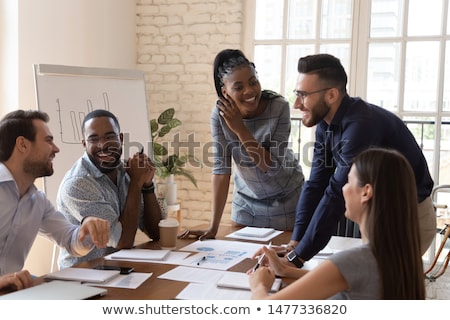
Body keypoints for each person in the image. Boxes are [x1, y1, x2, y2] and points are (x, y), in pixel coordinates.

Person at [282, 53, 436, 268]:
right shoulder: (325, 125)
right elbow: (317, 184)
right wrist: (295, 243)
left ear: (332, 95)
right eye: (296, 93)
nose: (297, 103)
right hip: (378, 215)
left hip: (407, 217)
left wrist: (298, 258)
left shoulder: (360, 126)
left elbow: (336, 193)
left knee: (385, 292)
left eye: (303, 94)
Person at [250, 148, 425, 299]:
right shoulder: (399, 255)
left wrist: (259, 286)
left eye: (348, 181)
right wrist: (285, 270)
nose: (343, 188)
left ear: (366, 192)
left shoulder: (354, 260)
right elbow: (346, 278)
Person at [180, 49, 305, 240]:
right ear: (225, 91)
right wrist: (213, 228)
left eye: (253, 82)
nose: (249, 91)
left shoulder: (279, 107)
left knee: (280, 264)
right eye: (238, 87)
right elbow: (222, 170)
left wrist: (240, 128)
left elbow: (270, 167)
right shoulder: (219, 115)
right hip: (246, 202)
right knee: (239, 264)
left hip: (286, 198)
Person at [0, 110, 110, 286]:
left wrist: (87, 228)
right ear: (22, 144)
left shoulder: (38, 201)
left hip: (12, 296)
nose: (56, 149)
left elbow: (71, 241)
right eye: (48, 141)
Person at [57, 109, 162, 268]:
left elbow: (156, 233)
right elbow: (123, 241)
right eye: (93, 139)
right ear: (84, 144)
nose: (103, 145)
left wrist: (147, 185)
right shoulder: (78, 184)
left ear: (121, 138)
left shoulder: (124, 171)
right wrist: (136, 183)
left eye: (109, 137)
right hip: (84, 277)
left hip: (119, 270)